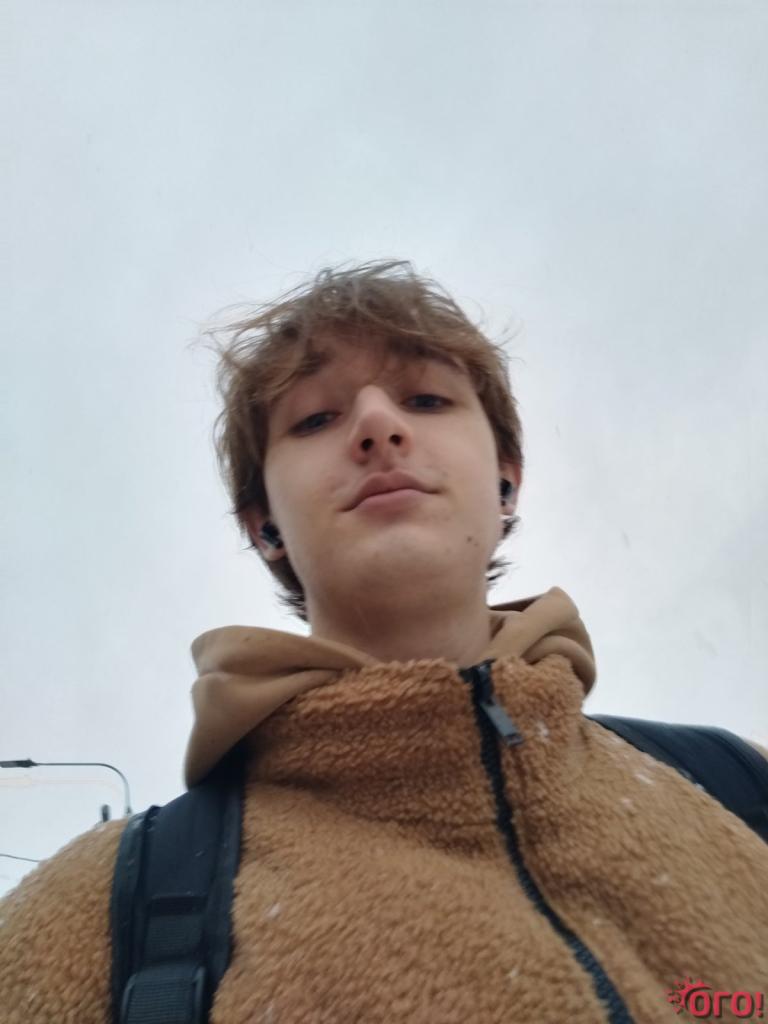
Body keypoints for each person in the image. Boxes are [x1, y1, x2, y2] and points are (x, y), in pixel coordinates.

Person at [1, 260, 766, 1023]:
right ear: (264, 526)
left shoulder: (739, 786)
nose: (377, 425)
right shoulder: (94, 911)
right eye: (314, 419)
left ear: (506, 482)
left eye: (427, 399)